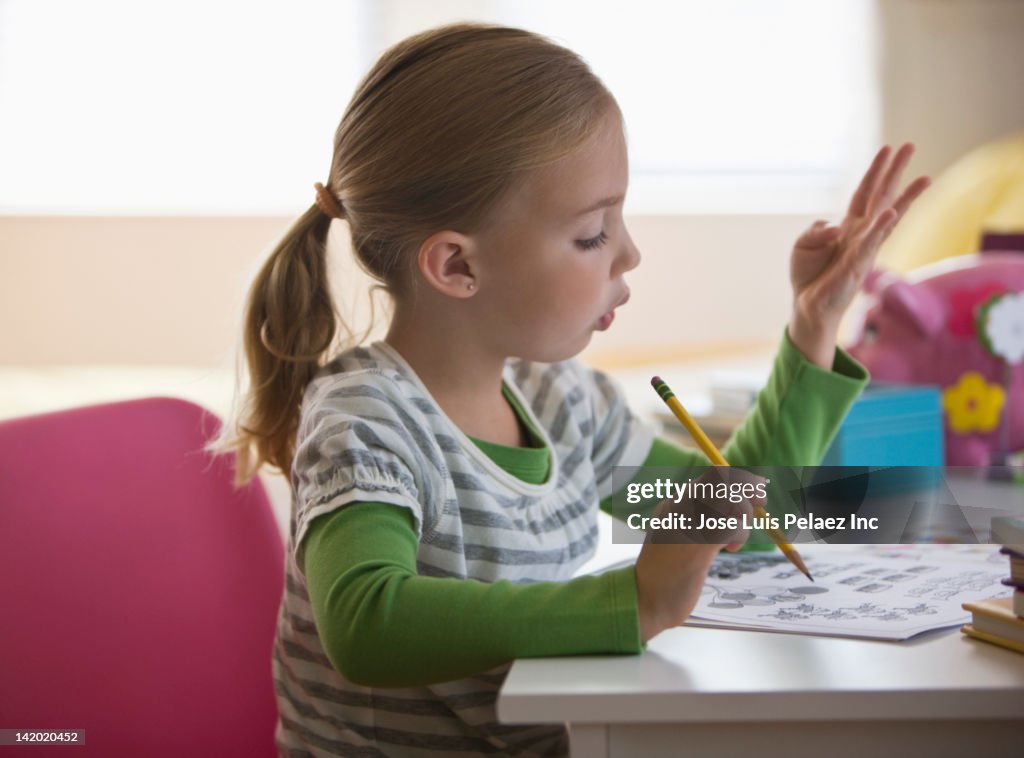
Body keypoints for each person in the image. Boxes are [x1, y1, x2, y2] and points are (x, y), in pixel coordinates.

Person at [217, 23, 929, 757]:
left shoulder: (565, 402)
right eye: (593, 233)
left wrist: (813, 325)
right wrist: (635, 601)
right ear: (457, 266)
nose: (630, 253)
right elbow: (367, 624)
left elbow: (747, 510)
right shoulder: (365, 422)